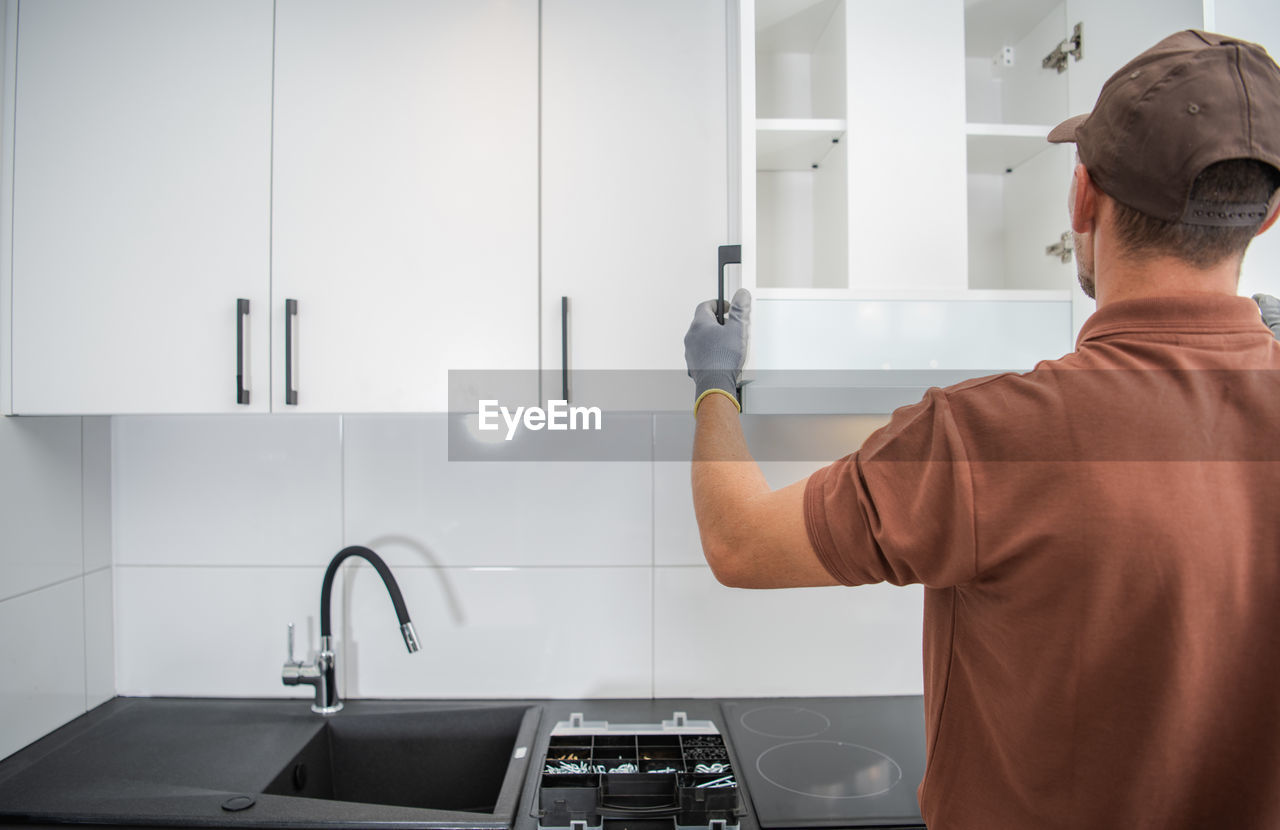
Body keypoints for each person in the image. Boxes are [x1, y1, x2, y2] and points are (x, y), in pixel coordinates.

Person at [683, 30, 1280, 829]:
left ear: (1082, 197)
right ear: (1268, 218)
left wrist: (713, 386)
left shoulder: (990, 435)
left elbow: (740, 543)